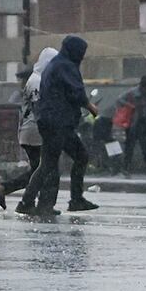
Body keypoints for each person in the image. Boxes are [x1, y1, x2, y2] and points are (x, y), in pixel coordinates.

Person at [16, 36, 100, 215]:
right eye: (81, 53)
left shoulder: (55, 64)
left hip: (55, 123)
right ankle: (28, 202)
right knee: (51, 163)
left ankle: (72, 199)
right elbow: (75, 91)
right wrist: (90, 106)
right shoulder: (65, 66)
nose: (82, 57)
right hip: (58, 123)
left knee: (73, 158)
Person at [0, 51, 55, 209]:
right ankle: (27, 200)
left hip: (27, 133)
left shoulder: (25, 90)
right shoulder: (37, 84)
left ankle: (18, 196)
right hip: (37, 133)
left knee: (38, 169)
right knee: (44, 169)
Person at [118, 76, 146, 176]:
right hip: (133, 124)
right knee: (130, 147)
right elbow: (119, 99)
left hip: (144, 124)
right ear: (142, 87)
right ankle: (126, 168)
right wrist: (130, 106)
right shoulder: (132, 93)